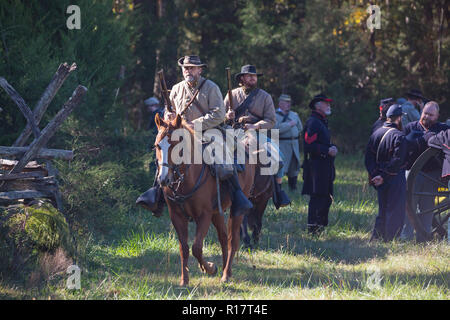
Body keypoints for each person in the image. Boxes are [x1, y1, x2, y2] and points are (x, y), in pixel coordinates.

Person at [136, 55, 253, 217]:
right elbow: (170, 111)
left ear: (200, 70)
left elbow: (218, 115)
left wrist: (195, 125)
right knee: (164, 156)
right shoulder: (176, 88)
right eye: (185, 68)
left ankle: (238, 196)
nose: (188, 70)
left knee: (223, 160)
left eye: (191, 67)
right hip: (182, 133)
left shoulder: (211, 88)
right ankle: (156, 195)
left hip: (209, 131)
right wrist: (169, 115)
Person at [224, 64, 290, 208]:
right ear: (242, 78)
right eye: (250, 76)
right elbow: (221, 118)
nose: (253, 78)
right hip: (235, 133)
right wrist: (227, 116)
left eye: (254, 76)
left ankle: (278, 191)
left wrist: (256, 126)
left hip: (257, 133)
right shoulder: (231, 95)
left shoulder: (265, 96)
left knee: (279, 158)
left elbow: (271, 120)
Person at [401, 101, 449, 241]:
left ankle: (424, 238)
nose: (426, 117)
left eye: (431, 114)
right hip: (412, 173)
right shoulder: (410, 128)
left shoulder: (442, 129)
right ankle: (406, 237)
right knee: (409, 206)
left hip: (432, 174)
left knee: (427, 207)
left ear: (437, 116)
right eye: (425, 113)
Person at [365, 104, 408, 242]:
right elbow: (397, 160)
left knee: (382, 208)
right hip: (394, 176)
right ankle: (391, 240)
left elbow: (368, 159)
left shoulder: (375, 133)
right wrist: (383, 176)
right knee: (395, 209)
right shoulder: (400, 136)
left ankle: (377, 237)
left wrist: (376, 175)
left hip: (379, 176)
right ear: (399, 118)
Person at [302, 94, 337, 235]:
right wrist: (327, 150)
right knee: (317, 196)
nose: (328, 105)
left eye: (329, 103)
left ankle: (321, 226)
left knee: (325, 196)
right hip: (316, 166)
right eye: (325, 103)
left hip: (325, 165)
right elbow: (308, 145)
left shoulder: (321, 121)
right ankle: (313, 228)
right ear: (317, 105)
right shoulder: (313, 122)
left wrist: (331, 147)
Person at [275, 94, 303, 191]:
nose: (288, 104)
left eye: (289, 102)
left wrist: (294, 134)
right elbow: (275, 130)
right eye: (286, 102)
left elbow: (300, 128)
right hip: (282, 144)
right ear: (280, 103)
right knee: (281, 167)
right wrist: (289, 125)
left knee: (294, 167)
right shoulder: (274, 115)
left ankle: (293, 188)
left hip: (294, 144)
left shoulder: (294, 115)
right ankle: (278, 190)